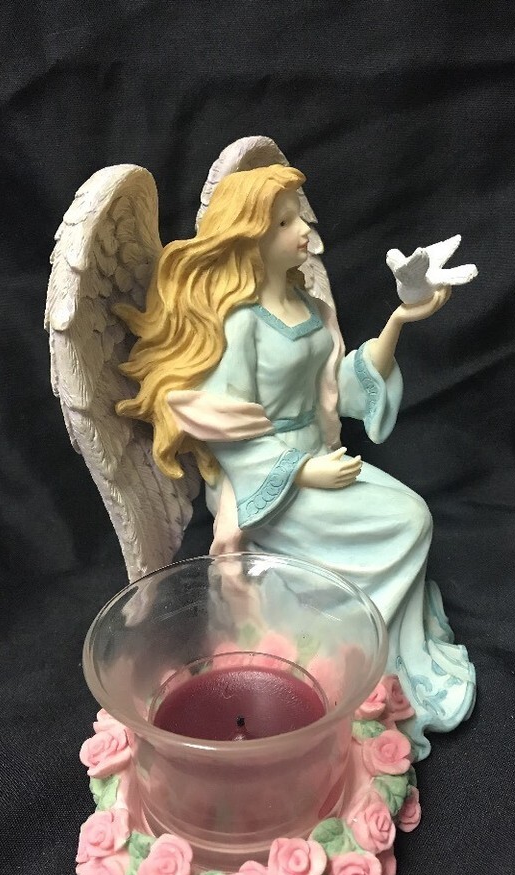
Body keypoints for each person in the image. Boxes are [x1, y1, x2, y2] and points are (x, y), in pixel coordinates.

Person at [116, 163, 475, 758]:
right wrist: (301, 471)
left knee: (411, 516)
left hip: (315, 458)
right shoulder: (239, 324)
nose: (303, 229)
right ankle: (361, 654)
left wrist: (399, 319)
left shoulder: (305, 305)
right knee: (410, 519)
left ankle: (383, 655)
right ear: (252, 236)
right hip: (265, 482)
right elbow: (229, 431)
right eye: (284, 222)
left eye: (298, 216)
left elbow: (339, 387)